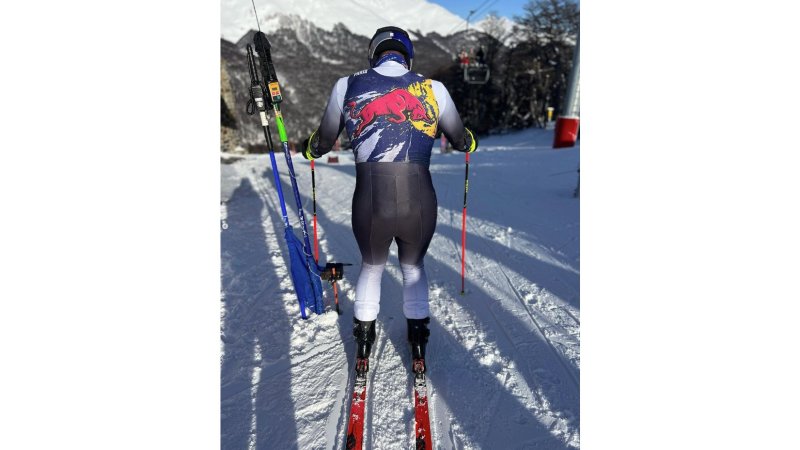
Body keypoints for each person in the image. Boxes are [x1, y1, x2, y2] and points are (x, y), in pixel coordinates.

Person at [301, 26, 478, 374]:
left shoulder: (346, 85)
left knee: (371, 266)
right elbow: (461, 139)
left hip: (370, 200)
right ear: (407, 55)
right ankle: (418, 338)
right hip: (419, 200)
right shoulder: (435, 89)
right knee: (413, 268)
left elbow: (321, 141)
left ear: (374, 53)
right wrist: (469, 141)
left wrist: (310, 148)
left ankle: (363, 340)